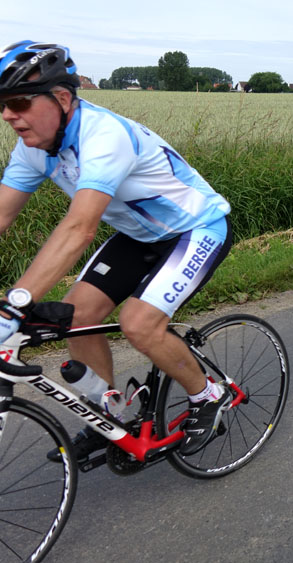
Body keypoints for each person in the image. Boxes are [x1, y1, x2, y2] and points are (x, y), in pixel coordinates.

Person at [0, 41, 234, 459]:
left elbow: (79, 227)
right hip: (139, 235)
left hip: (196, 229)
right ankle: (108, 416)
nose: (7, 115)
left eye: (18, 102)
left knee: (138, 324)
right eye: (1, 105)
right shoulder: (33, 149)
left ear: (62, 98)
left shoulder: (104, 136)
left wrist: (15, 302)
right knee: (76, 315)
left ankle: (208, 395)